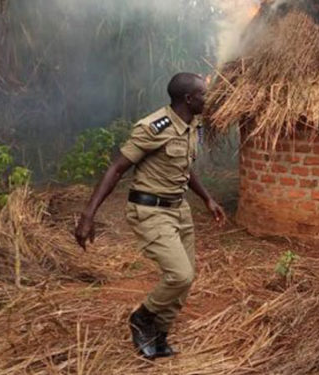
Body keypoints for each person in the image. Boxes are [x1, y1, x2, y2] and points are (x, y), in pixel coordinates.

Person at [74, 72, 226, 359]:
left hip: (179, 210)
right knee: (179, 275)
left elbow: (183, 166)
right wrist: (88, 215)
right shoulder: (154, 127)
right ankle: (142, 318)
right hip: (150, 211)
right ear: (188, 98)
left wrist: (207, 198)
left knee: (186, 278)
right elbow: (117, 169)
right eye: (203, 94)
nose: (208, 99)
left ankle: (159, 335)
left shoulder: (192, 125)